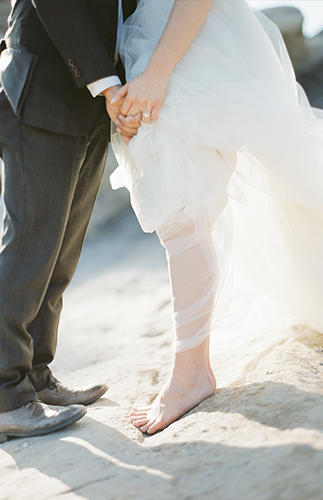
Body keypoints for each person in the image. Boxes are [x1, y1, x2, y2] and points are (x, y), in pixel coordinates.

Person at [110, 0, 323, 434]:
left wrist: (159, 72)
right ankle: (191, 369)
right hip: (153, 44)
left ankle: (190, 374)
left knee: (184, 209)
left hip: (189, 42)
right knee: (182, 205)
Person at [0, 0, 140, 442]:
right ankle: (6, 396)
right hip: (46, 82)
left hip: (95, 95)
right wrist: (106, 83)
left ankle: (35, 375)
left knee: (59, 253)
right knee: (29, 248)